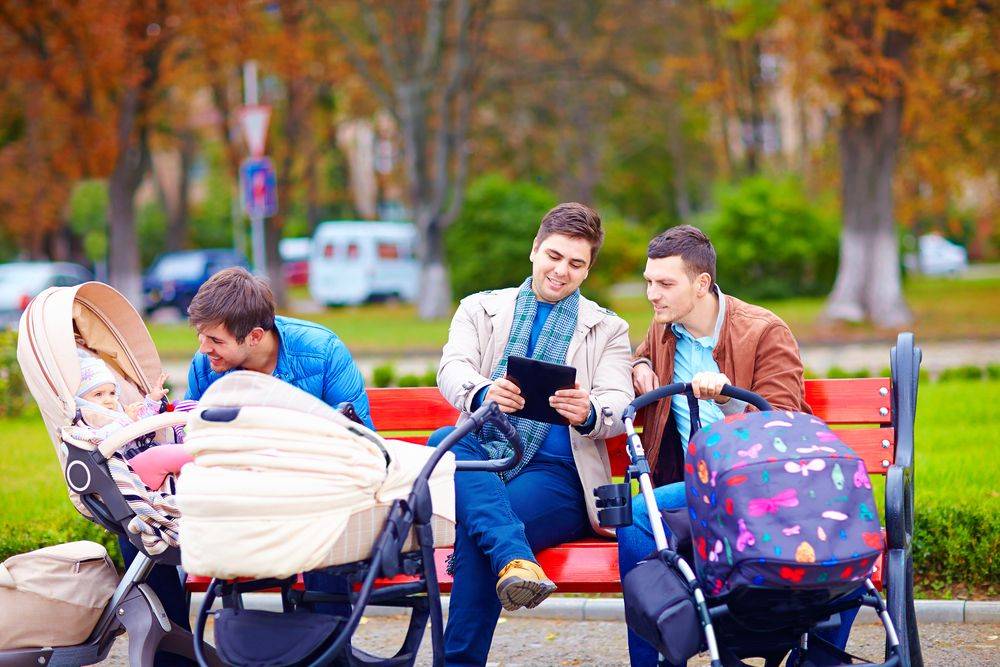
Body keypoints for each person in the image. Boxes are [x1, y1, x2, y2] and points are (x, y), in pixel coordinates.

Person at [618, 225, 856, 666]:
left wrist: (728, 401)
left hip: (761, 488)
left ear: (702, 283)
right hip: (697, 490)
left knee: (637, 515)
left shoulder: (764, 331)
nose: (652, 294)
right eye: (649, 281)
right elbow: (642, 352)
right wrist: (641, 365)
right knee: (637, 516)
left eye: (665, 283)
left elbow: (782, 423)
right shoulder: (665, 327)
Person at [122, 267, 372, 666]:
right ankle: (176, 657)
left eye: (215, 340)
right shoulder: (206, 365)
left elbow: (361, 443)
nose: (204, 348)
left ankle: (326, 653)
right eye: (201, 335)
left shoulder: (321, 351)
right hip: (242, 502)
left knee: (330, 523)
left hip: (313, 498)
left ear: (255, 336)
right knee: (137, 527)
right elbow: (197, 441)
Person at [432, 202, 634, 665]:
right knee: (446, 440)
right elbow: (453, 368)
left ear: (588, 269)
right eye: (554, 256)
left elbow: (619, 401)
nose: (561, 271)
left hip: (558, 475)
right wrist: (485, 392)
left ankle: (504, 567)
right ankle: (515, 558)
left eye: (576, 263)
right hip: (487, 455)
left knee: (478, 534)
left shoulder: (607, 328)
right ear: (534, 250)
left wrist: (589, 411)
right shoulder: (480, 308)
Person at [74, 354, 191, 490]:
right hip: (128, 470)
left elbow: (142, 422)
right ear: (81, 399)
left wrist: (153, 399)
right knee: (159, 454)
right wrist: (126, 420)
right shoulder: (85, 420)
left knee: (172, 453)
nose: (108, 400)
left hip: (145, 460)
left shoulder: (119, 413)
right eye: (98, 394)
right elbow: (97, 440)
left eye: (112, 393)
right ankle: (200, 453)